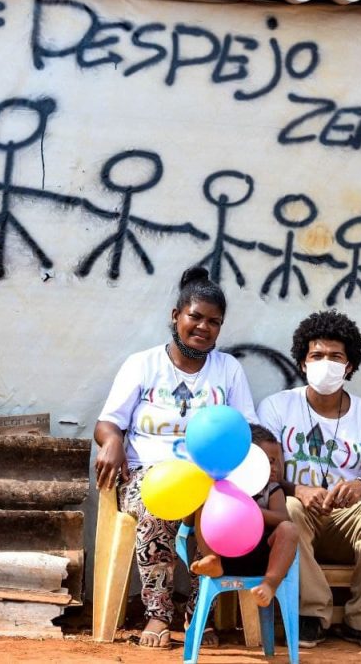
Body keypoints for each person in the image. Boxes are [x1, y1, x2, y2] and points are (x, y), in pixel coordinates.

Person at [93, 266, 257, 649]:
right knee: (158, 503)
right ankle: (157, 614)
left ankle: (200, 615)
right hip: (146, 477)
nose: (203, 327)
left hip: (209, 477)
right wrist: (112, 440)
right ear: (175, 316)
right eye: (195, 316)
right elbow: (107, 422)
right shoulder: (143, 364)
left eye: (213, 322)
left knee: (218, 512)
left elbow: (248, 428)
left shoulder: (228, 370)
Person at [257, 310, 361, 650]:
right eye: (317, 355)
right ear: (303, 362)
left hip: (347, 522)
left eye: (336, 356)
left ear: (350, 365)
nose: (326, 363)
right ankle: (311, 614)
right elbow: (262, 474)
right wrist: (299, 489)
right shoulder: (277, 407)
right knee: (287, 504)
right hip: (299, 518)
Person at [190, 424, 300, 607]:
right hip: (225, 557)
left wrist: (251, 511)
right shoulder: (222, 485)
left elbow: (283, 518)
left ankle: (270, 585)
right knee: (204, 506)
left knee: (289, 529)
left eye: (276, 461)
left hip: (263, 558)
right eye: (268, 461)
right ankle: (212, 559)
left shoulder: (271, 490)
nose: (274, 468)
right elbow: (191, 520)